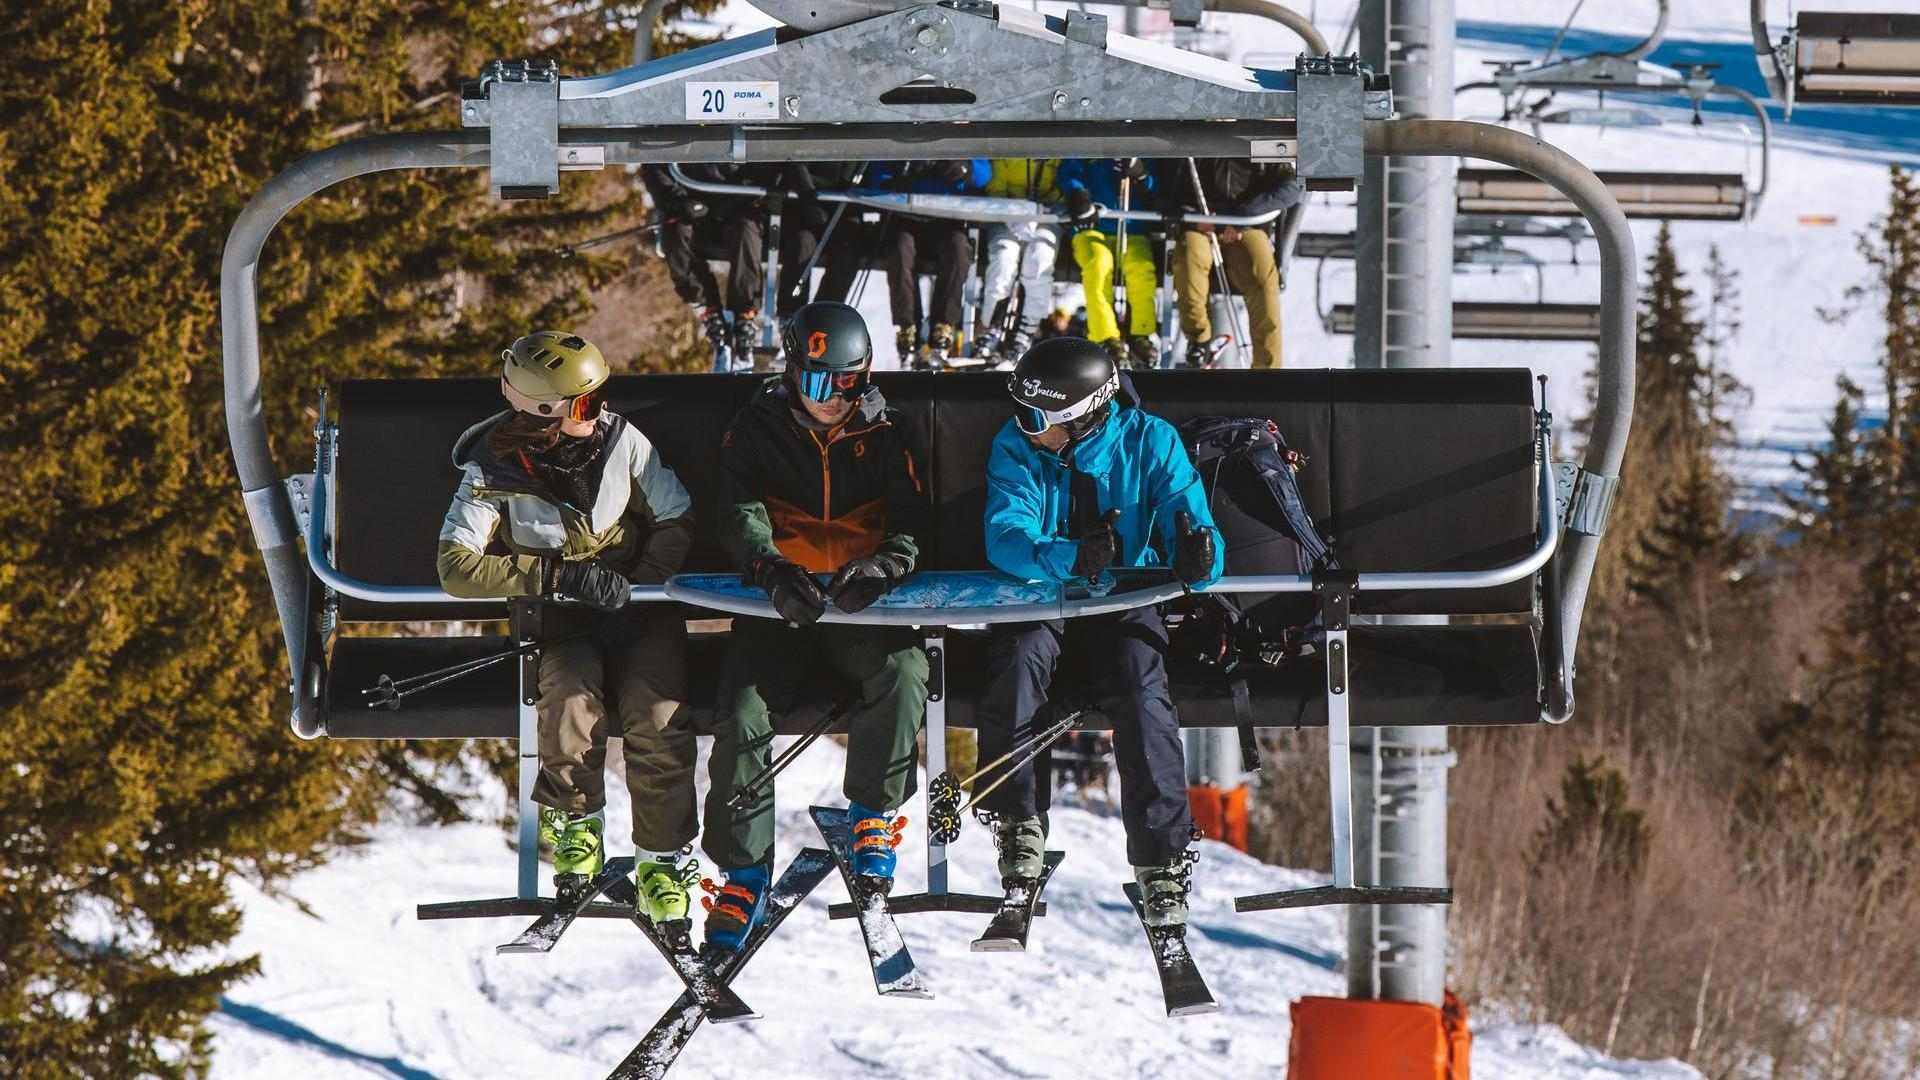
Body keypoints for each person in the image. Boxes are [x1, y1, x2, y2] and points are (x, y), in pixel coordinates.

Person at [436, 332, 701, 926]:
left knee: (657, 714)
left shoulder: (622, 442)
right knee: (568, 699)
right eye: (585, 403)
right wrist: (555, 577)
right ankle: (577, 827)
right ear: (543, 414)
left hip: (637, 606)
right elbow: (457, 566)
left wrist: (643, 587)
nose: (599, 410)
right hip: (556, 614)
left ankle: (664, 858)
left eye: (600, 396)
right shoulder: (490, 473)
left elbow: (676, 514)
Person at [703, 301, 932, 948]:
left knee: (904, 669)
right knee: (742, 711)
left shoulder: (887, 431)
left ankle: (873, 812)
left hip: (862, 603)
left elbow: (915, 516)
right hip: (785, 604)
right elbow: (738, 510)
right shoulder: (758, 427)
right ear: (791, 372)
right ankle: (744, 869)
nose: (834, 399)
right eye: (816, 382)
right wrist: (769, 569)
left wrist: (887, 566)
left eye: (850, 384)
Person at [976, 336, 1223, 926]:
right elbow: (1005, 532)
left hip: (1124, 600)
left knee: (1142, 685)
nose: (1023, 425)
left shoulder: (1151, 442)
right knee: (1017, 660)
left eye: (1036, 416)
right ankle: (1018, 824)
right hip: (1042, 596)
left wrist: (1197, 558)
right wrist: (1068, 558)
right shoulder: (1018, 446)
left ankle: (1161, 857)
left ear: (1081, 416)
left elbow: (1197, 527)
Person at [1159, 159, 1304, 369]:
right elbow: (1169, 187)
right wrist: (1192, 215)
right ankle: (1199, 340)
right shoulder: (1192, 142)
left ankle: (1267, 368)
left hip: (1245, 227)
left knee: (1262, 276)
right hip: (1201, 225)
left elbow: (1290, 188)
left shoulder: (1261, 144)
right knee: (1191, 256)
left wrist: (1243, 216)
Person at [639, 164, 769, 367]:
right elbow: (654, 166)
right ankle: (708, 310)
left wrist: (743, 198)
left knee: (746, 230)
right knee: (676, 234)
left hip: (737, 206)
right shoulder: (678, 132)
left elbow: (763, 167)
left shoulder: (743, 135)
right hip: (693, 208)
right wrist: (679, 201)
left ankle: (744, 316)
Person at [865, 160, 990, 368]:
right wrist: (899, 173)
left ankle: (944, 325)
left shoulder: (963, 130)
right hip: (906, 213)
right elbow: (877, 171)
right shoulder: (905, 130)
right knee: (899, 248)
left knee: (958, 249)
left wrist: (966, 168)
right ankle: (908, 328)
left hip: (948, 216)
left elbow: (985, 172)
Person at [1056, 158, 1161, 369]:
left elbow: (1158, 187)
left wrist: (1141, 175)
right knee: (1098, 265)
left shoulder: (1145, 141)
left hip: (1132, 226)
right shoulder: (1090, 137)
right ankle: (1105, 337)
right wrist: (1078, 194)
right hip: (1091, 225)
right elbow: (1068, 171)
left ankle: (1141, 332)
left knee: (1141, 268)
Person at [975, 159, 1063, 364]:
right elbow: (996, 182)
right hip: (1006, 211)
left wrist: (1047, 209)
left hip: (1047, 216)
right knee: (1004, 257)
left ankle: (1027, 328)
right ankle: (991, 324)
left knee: (1039, 258)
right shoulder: (1013, 143)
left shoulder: (1058, 149)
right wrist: (1009, 211)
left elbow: (1066, 181)